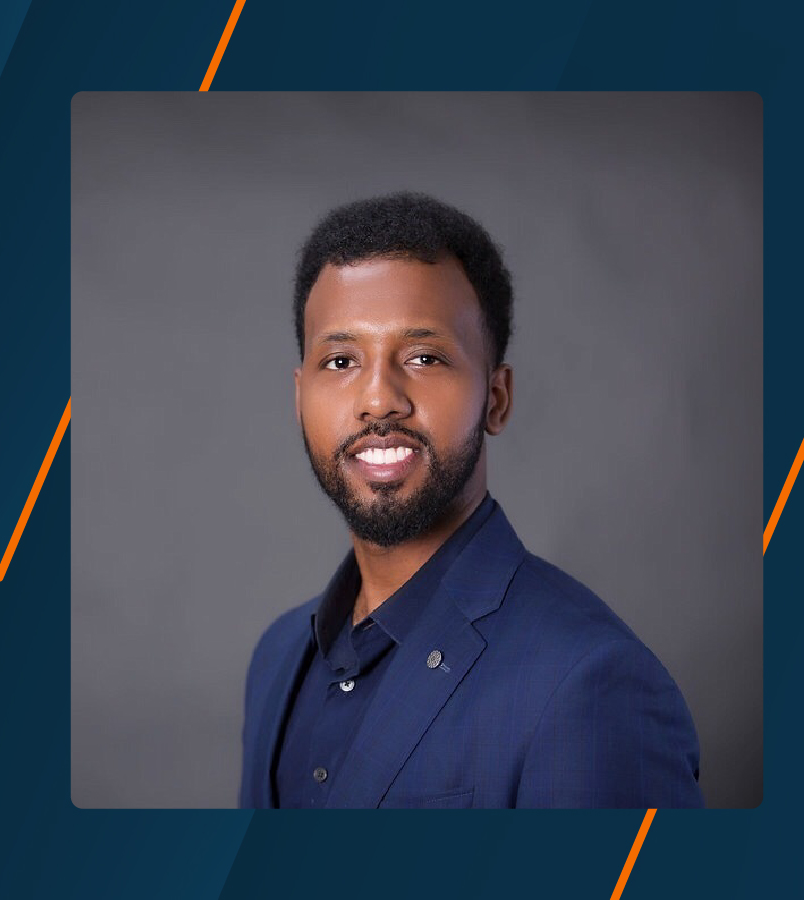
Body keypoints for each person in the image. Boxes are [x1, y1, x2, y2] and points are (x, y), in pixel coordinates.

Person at [239, 192, 704, 809]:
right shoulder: (277, 658)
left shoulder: (592, 685)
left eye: (424, 357)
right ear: (299, 398)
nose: (378, 399)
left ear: (496, 398)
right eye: (341, 360)